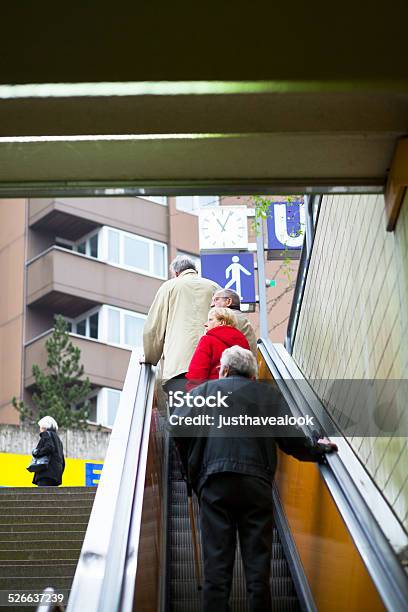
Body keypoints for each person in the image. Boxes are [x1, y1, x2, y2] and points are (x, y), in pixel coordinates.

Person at [171, 346, 337, 612]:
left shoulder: (203, 394)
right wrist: (318, 448)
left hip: (215, 481)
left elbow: (177, 427)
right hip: (256, 484)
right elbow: (291, 439)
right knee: (258, 568)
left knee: (217, 567)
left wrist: (192, 465)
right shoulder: (266, 396)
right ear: (253, 375)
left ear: (223, 370)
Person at [143, 255, 220, 389]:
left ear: (176, 273)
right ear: (195, 270)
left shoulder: (169, 287)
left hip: (179, 367)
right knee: (211, 408)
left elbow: (154, 328)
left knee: (181, 408)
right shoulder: (215, 288)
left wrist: (150, 357)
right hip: (213, 366)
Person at [186, 307, 250, 387]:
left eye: (210, 320)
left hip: (214, 393)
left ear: (222, 322)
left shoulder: (207, 340)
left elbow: (197, 374)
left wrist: (193, 395)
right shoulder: (243, 342)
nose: (205, 324)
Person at [211, 288, 257, 357]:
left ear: (228, 301)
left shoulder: (229, 318)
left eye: (216, 299)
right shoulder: (240, 318)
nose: (212, 305)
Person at [32, 416, 65, 487]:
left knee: (42, 495)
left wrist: (37, 452)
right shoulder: (58, 440)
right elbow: (62, 459)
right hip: (56, 474)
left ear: (44, 427)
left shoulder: (46, 434)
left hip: (45, 472)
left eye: (40, 427)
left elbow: (49, 447)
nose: (39, 429)